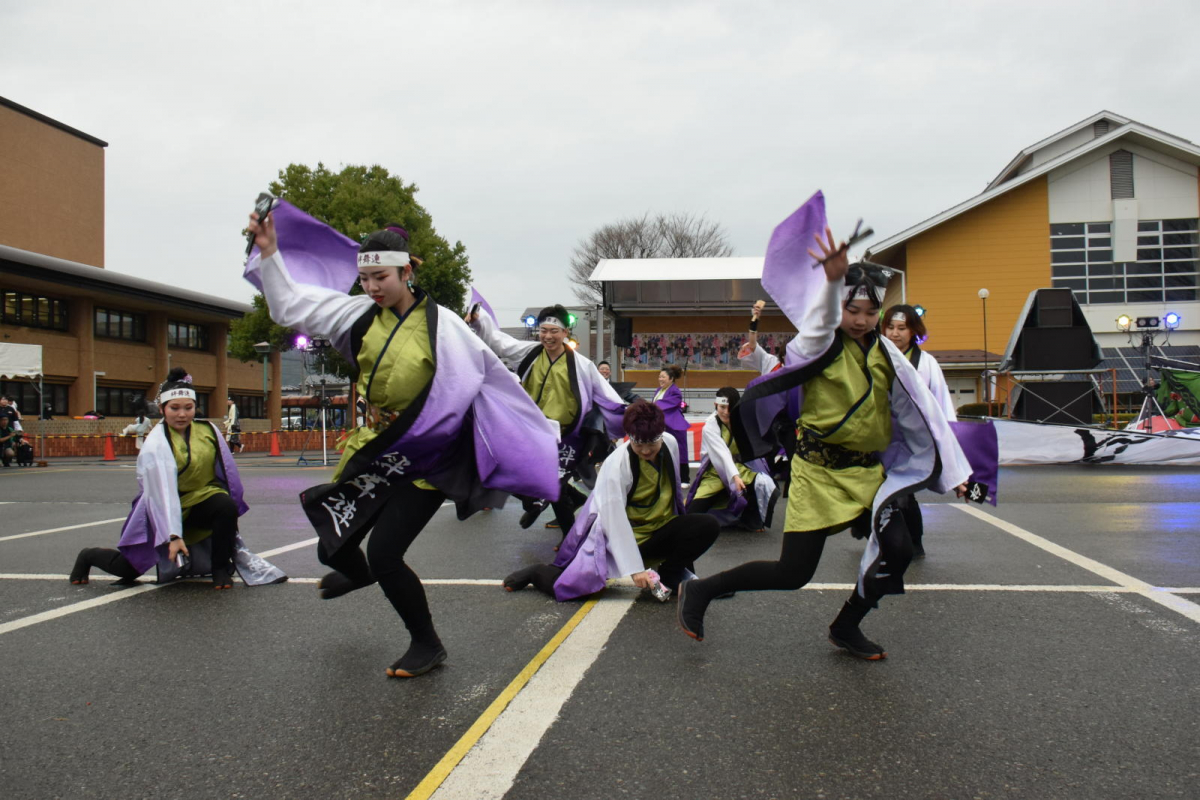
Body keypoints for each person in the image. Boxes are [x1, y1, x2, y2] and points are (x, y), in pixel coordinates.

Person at [247, 204, 560, 678]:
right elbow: (290, 306)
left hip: (426, 455)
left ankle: (426, 643)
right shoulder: (356, 315)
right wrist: (270, 252)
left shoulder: (446, 326)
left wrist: (533, 437)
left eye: (382, 277)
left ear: (407, 270)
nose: (372, 287)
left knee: (385, 554)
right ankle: (358, 573)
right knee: (331, 542)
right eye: (365, 278)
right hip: (376, 445)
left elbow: (492, 382)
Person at [677, 196, 971, 661]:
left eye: (870, 313)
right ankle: (703, 591)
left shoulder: (889, 354)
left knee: (898, 549)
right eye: (852, 310)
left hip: (868, 475)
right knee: (793, 572)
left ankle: (846, 625)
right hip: (818, 473)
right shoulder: (818, 345)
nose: (861, 320)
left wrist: (954, 469)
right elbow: (817, 325)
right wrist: (834, 282)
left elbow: (925, 414)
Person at [70, 367, 286, 589]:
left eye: (188, 408)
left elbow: (227, 471)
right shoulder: (156, 443)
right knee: (128, 569)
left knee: (225, 506)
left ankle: (220, 568)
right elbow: (162, 493)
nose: (182, 414)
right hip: (161, 509)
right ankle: (88, 556)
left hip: (202, 499)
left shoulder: (208, 430)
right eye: (174, 408)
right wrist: (172, 536)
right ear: (163, 409)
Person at [503, 402, 719, 600]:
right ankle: (537, 572)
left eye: (652, 443)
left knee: (706, 526)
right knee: (575, 588)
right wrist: (635, 569)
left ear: (662, 433)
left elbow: (673, 498)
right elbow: (613, 520)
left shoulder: (670, 444)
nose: (645, 450)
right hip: (623, 540)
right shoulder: (616, 465)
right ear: (629, 437)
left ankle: (672, 574)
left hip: (659, 528)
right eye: (638, 443)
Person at [467, 303, 626, 533]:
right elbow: (498, 341)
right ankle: (543, 502)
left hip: (566, 435)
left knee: (556, 487)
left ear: (565, 333)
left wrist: (629, 419)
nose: (548, 336)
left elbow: (608, 396)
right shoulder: (530, 352)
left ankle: (569, 540)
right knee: (502, 468)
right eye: (543, 330)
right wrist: (478, 320)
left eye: (554, 331)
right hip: (532, 432)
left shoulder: (582, 366)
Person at [883, 304, 957, 558]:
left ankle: (914, 543)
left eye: (902, 328)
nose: (895, 334)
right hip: (881, 440)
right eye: (890, 327)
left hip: (914, 441)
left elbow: (941, 403)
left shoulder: (927, 363)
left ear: (913, 330)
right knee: (881, 493)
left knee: (903, 494)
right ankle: (882, 539)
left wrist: (948, 442)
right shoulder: (876, 358)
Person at [685, 387, 778, 530]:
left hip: (739, 467)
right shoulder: (710, 425)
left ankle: (750, 521)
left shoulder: (741, 421)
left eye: (730, 408)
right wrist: (734, 477)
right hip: (714, 471)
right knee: (692, 513)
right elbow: (722, 454)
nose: (726, 412)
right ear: (715, 405)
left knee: (761, 483)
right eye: (722, 407)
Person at [653, 364, 690, 483]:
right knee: (662, 450)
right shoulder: (658, 390)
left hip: (674, 425)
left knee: (680, 451)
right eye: (659, 376)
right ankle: (666, 476)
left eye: (663, 377)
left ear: (671, 379)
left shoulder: (675, 392)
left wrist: (653, 406)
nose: (660, 379)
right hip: (662, 425)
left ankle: (685, 479)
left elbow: (663, 405)